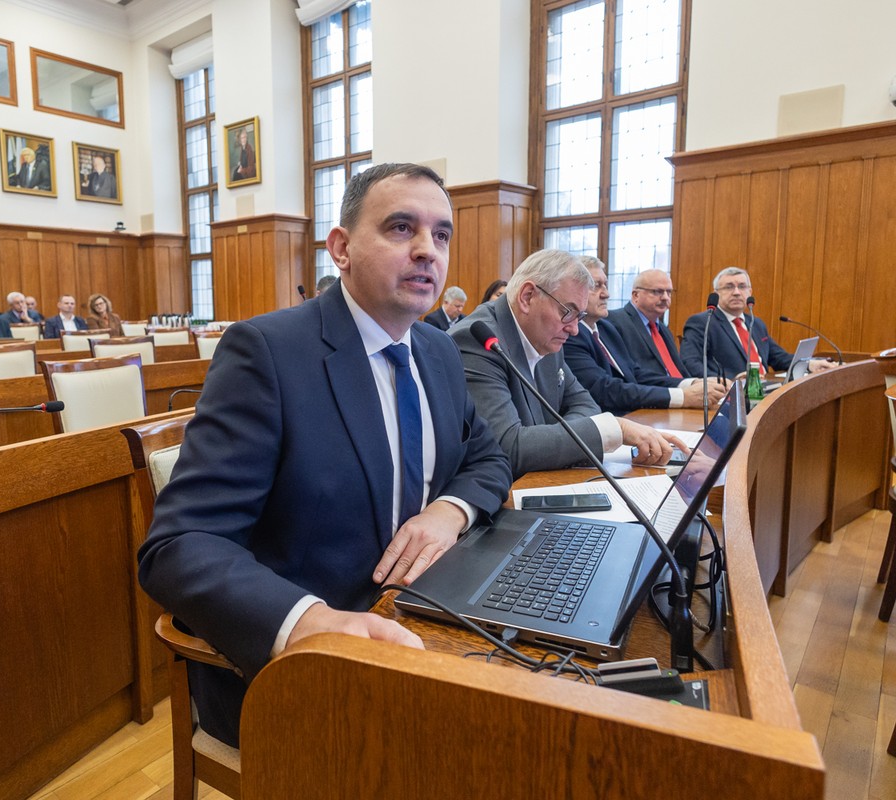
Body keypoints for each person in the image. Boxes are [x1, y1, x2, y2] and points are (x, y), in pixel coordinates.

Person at [138, 163, 511, 748]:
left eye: (441, 235)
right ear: (341, 248)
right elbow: (179, 546)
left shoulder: (437, 350)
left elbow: (488, 459)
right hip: (302, 666)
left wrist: (448, 512)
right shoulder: (267, 352)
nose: (427, 250)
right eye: (400, 228)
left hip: (428, 617)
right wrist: (310, 623)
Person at [450, 249, 687, 477]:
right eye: (568, 311)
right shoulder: (478, 339)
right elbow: (507, 448)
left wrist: (548, 439)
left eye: (579, 316)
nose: (574, 329)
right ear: (527, 296)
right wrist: (616, 429)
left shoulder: (547, 334)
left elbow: (587, 405)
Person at [563, 256, 726, 416]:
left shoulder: (606, 328)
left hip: (637, 414)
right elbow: (604, 389)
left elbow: (636, 373)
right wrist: (682, 397)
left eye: (605, 285)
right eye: (596, 286)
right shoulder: (571, 333)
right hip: (613, 420)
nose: (606, 294)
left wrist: (690, 383)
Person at [679, 267, 838, 379]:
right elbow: (690, 363)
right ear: (716, 294)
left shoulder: (756, 323)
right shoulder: (703, 323)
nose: (736, 292)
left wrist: (810, 364)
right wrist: (727, 381)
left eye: (742, 287)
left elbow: (779, 358)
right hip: (730, 396)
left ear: (750, 292)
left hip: (765, 390)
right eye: (728, 287)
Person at [604, 269, 690, 384]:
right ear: (636, 295)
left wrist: (695, 383)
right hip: (653, 392)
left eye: (669, 292)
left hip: (682, 390)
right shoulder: (615, 321)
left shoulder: (663, 329)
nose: (665, 297)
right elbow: (632, 374)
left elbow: (679, 370)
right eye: (657, 291)